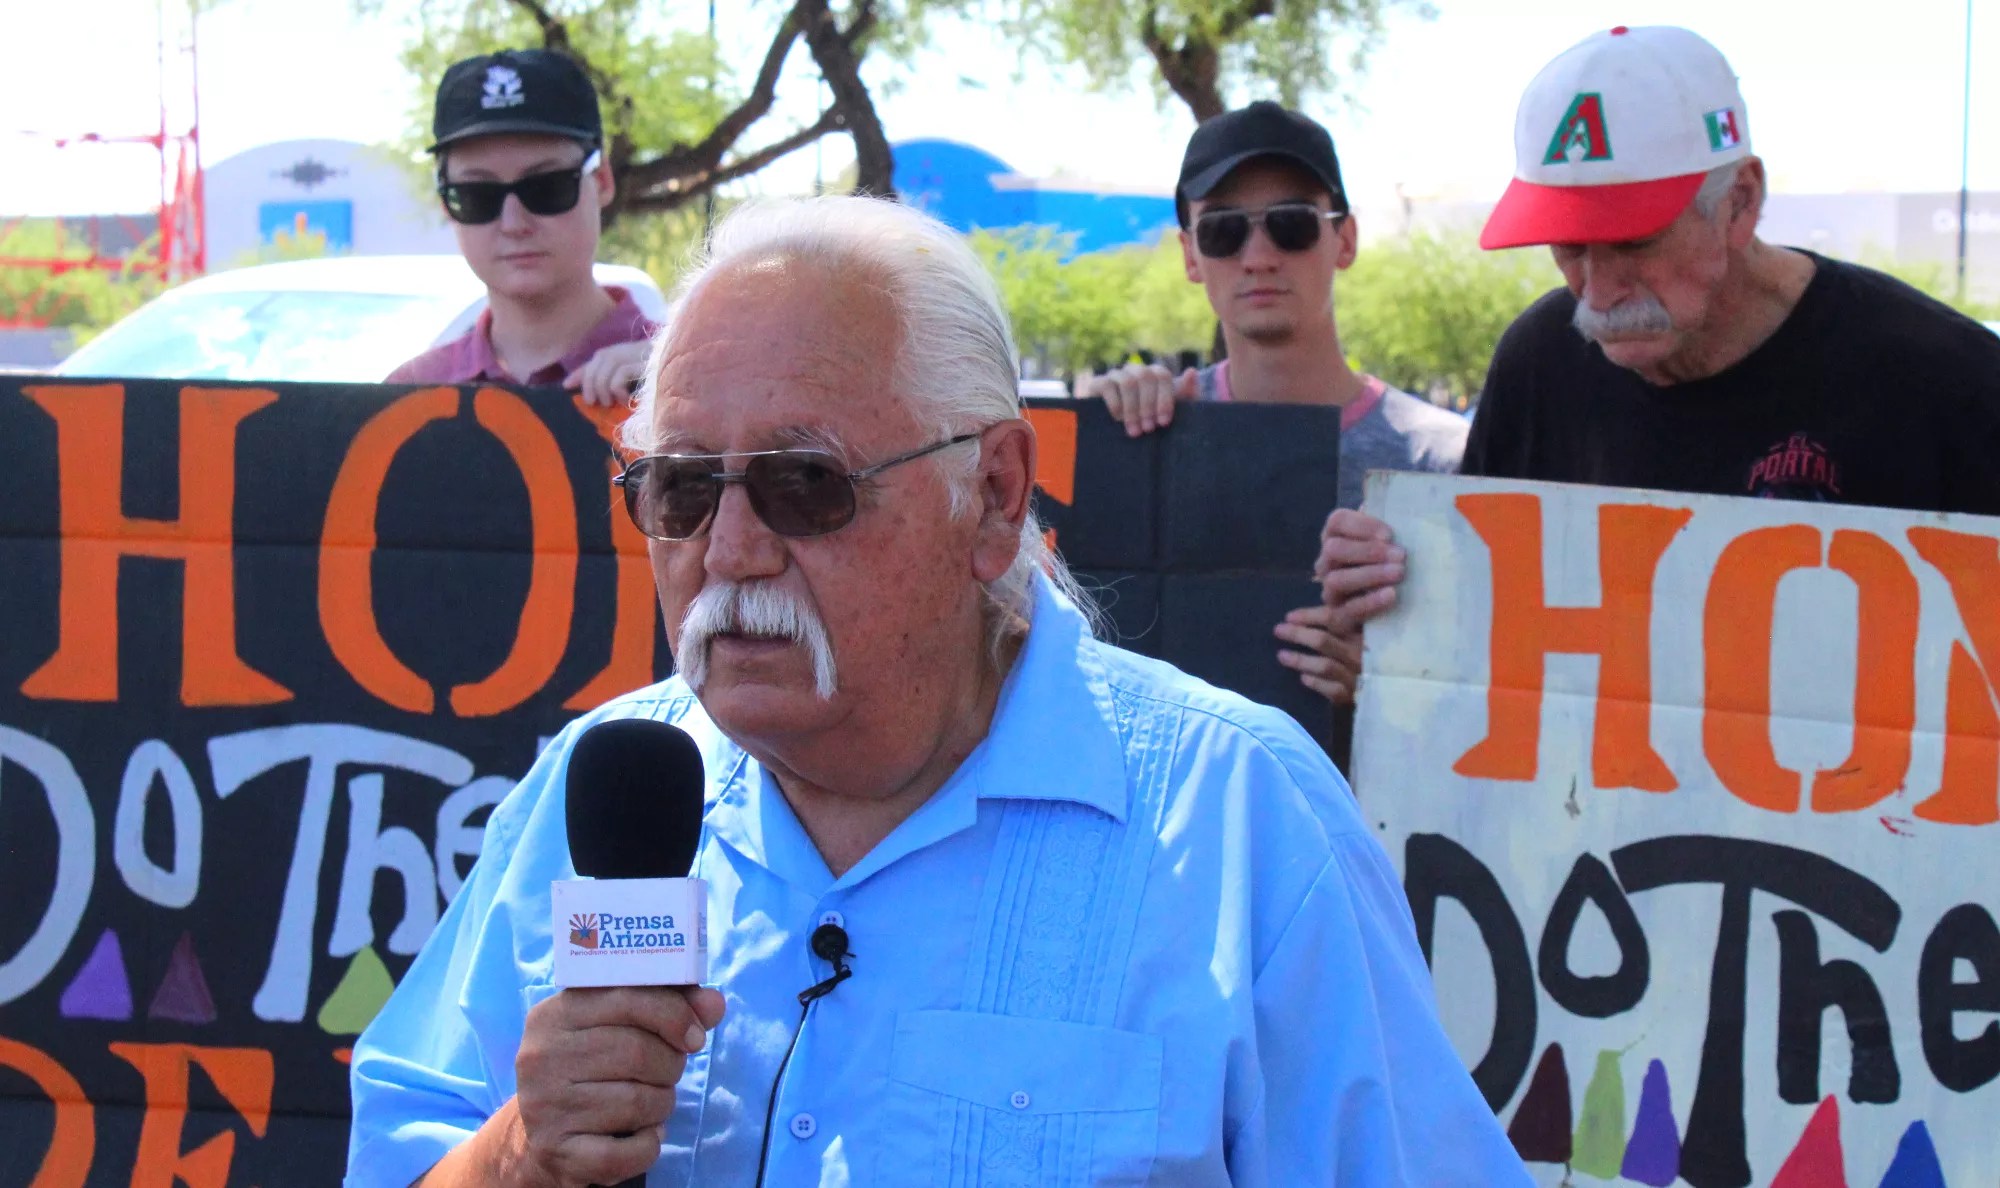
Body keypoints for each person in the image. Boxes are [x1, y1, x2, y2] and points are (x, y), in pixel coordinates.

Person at [345, 195, 1526, 1187]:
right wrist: (519, 1154)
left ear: (994, 494)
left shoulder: (1240, 823)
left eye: (806, 484)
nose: (733, 550)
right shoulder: (590, 796)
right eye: (682, 489)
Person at [1315, 24, 2000, 705]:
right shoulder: (1541, 361)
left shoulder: (1946, 381)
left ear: (1740, 201)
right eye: (1568, 248)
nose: (1598, 288)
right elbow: (1486, 652)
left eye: (1634, 243)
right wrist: (1399, 615)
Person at [1076, 101, 1466, 707]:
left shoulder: (1444, 464)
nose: (1258, 256)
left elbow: (1491, 697)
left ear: (1346, 238)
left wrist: (1389, 693)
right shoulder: (1148, 436)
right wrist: (1091, 442)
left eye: (1291, 223)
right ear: (1189, 255)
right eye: (1224, 229)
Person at [385, 48, 657, 407]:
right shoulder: (407, 397)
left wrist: (678, 390)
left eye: (546, 187)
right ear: (445, 204)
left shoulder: (685, 374)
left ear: (603, 180)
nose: (513, 223)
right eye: (477, 194)